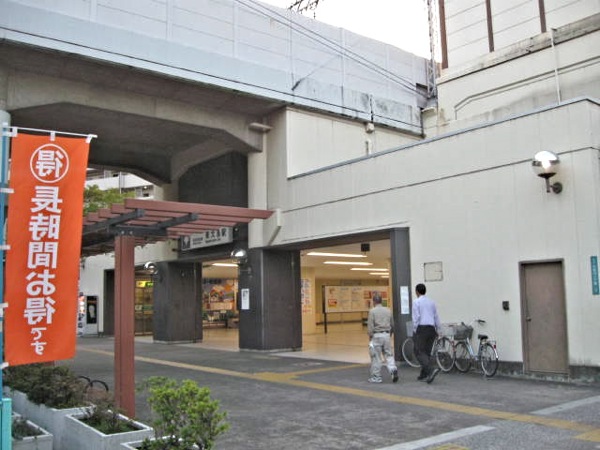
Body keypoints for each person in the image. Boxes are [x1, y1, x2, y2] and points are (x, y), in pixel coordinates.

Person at [412, 283, 441, 384]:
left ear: (417, 292)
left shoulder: (416, 302)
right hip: (431, 329)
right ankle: (423, 374)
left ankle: (430, 370)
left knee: (418, 351)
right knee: (426, 352)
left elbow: (416, 317)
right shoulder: (431, 302)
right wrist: (438, 329)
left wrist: (415, 329)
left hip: (422, 328)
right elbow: (436, 316)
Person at [367, 293, 398, 383]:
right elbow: (392, 324)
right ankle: (393, 369)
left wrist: (370, 336)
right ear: (381, 301)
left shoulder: (372, 311)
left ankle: (376, 377)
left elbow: (370, 326)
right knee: (388, 354)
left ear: (374, 301)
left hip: (377, 335)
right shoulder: (388, 310)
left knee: (376, 357)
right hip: (386, 335)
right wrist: (391, 333)